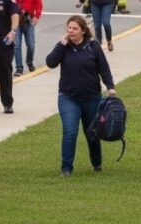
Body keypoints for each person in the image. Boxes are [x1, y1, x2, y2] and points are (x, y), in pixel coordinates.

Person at [46, 15, 115, 176]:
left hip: (92, 98)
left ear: (83, 31)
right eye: (69, 28)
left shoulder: (93, 46)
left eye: (75, 28)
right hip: (68, 97)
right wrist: (60, 45)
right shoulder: (63, 47)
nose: (71, 31)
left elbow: (103, 68)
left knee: (92, 133)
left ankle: (97, 162)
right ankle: (66, 168)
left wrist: (110, 87)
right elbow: (50, 63)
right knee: (70, 132)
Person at [10, 0, 43, 77]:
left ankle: (29, 62)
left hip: (28, 22)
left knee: (31, 45)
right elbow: (7, 4)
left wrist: (36, 17)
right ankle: (19, 68)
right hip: (16, 23)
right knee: (16, 45)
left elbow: (39, 4)